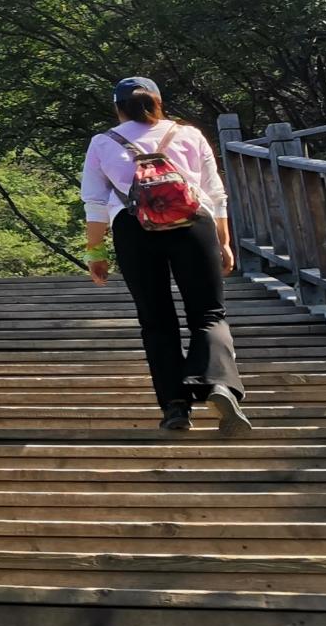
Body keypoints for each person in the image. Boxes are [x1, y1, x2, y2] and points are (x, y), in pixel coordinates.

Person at [81, 77, 249, 434]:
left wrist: (96, 253)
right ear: (157, 101)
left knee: (156, 320)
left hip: (133, 227)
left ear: (118, 106)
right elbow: (214, 192)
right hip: (193, 224)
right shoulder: (189, 134)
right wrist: (223, 240)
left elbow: (94, 202)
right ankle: (218, 382)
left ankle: (175, 408)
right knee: (208, 313)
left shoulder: (103, 142)